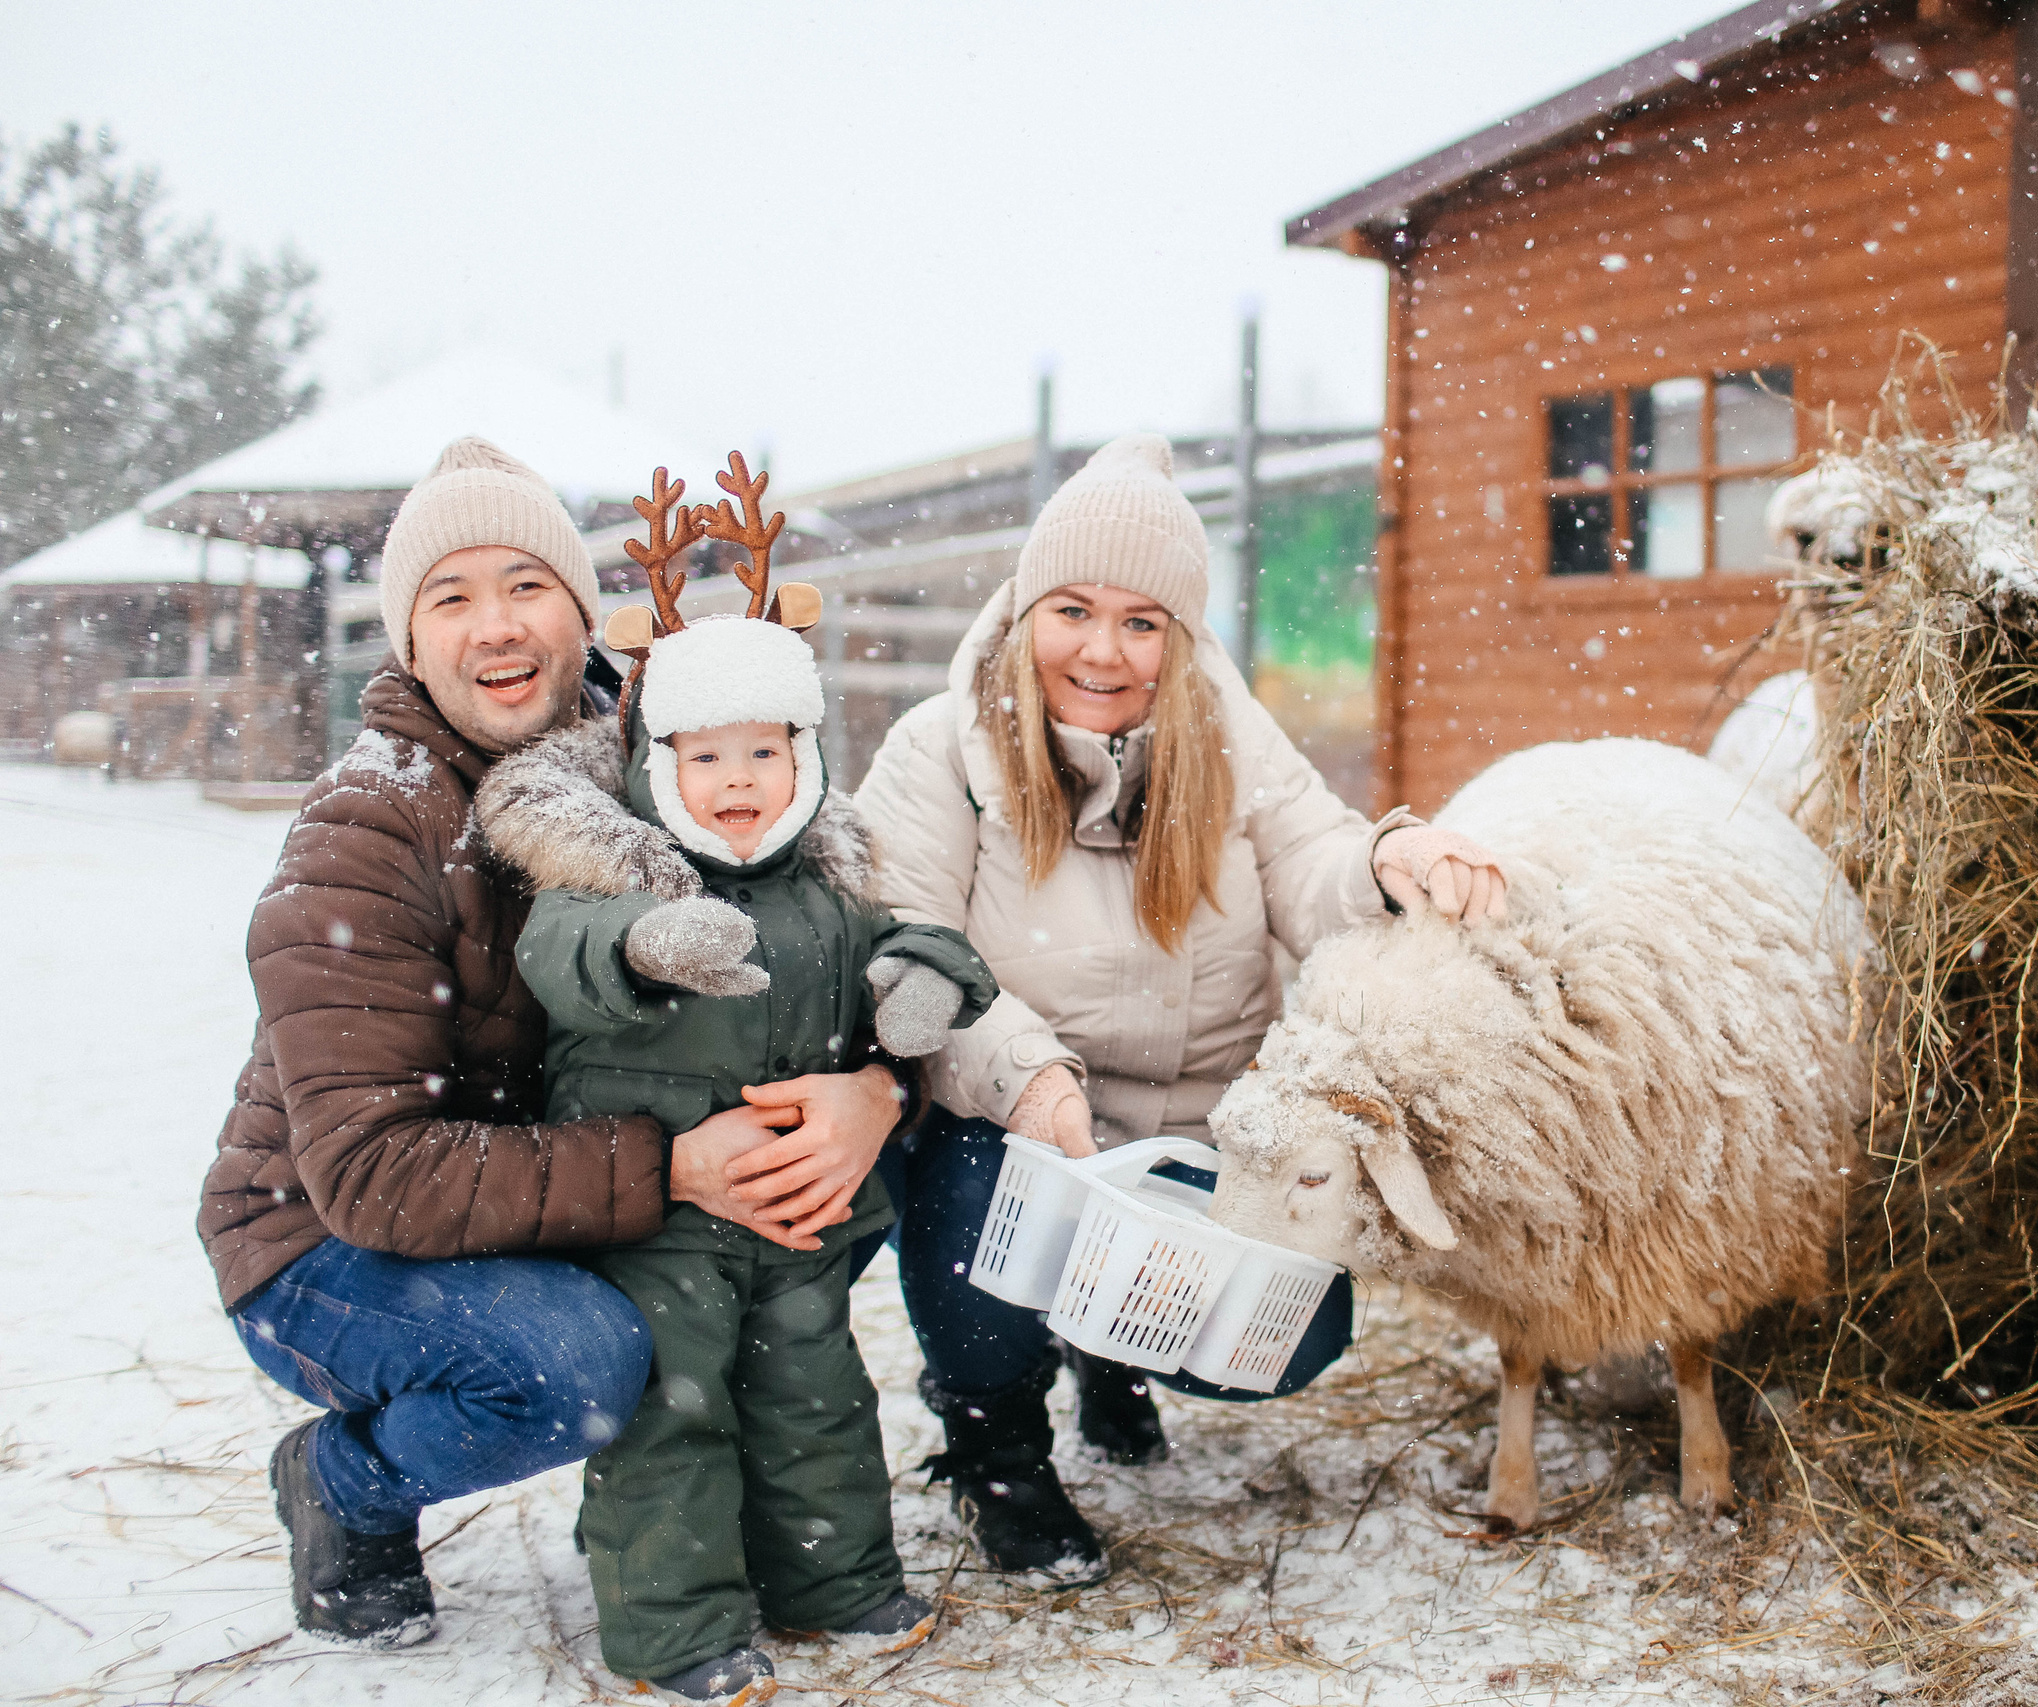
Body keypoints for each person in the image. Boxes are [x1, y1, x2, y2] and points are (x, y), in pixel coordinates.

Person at [198, 437, 908, 1648]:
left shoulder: (673, 762)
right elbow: (371, 1173)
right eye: (452, 597)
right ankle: (340, 1482)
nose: (498, 629)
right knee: (573, 1365)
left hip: (557, 1191)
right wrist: (673, 1169)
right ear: (409, 639)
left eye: (528, 586)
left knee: (809, 1221)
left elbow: (830, 945)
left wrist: (874, 1093)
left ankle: (757, 1523)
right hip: (321, 1242)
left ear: (584, 612)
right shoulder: (365, 834)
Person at [852, 432, 1506, 1581]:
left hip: (1200, 1122)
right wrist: (1030, 1077)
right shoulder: (938, 749)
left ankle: (1116, 1350)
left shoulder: (1227, 734)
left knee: (1300, 1336)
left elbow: (1310, 856)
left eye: (1142, 622)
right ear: (1023, 607)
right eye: (1072, 611)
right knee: (980, 1257)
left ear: (1182, 637)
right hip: (1016, 1122)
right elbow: (914, 946)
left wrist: (1387, 864)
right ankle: (995, 1447)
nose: (1103, 651)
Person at [499, 592, 1000, 1699]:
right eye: (706, 755)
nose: (736, 781)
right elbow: (558, 952)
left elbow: (910, 934)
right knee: (674, 1413)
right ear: (653, 767)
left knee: (817, 1397)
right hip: (663, 1222)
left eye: (763, 753)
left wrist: (925, 977)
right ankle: (677, 1629)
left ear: (803, 760)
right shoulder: (611, 876)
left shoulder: (826, 888)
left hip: (798, 1218)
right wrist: (647, 942)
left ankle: (836, 1581)